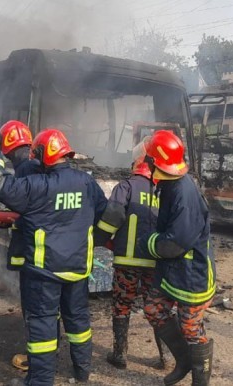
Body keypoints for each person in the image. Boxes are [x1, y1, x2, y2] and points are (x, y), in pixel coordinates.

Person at [0, 128, 107, 385]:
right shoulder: (86, 182)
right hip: (78, 269)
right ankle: (82, 372)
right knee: (78, 321)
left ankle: (40, 381)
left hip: (44, 273)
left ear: (40, 155)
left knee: (43, 325)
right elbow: (103, 212)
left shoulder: (36, 186)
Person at [138, 130, 216, 386]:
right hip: (174, 270)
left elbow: (175, 243)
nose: (145, 163)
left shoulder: (183, 193)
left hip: (192, 273)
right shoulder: (170, 184)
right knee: (153, 308)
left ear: (156, 163)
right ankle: (183, 360)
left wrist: (147, 243)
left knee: (191, 328)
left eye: (148, 159)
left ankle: (200, 380)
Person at [93, 151, 166, 370]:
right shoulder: (162, 191)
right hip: (155, 262)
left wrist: (97, 239)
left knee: (122, 305)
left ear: (135, 166)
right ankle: (167, 357)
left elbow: (111, 218)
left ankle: (120, 355)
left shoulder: (126, 187)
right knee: (157, 307)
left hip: (128, 262)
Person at [0, 120, 42, 372]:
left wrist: (13, 217)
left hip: (33, 251)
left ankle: (37, 359)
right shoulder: (34, 166)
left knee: (34, 307)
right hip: (44, 250)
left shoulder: (25, 170)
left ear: (6, 147)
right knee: (44, 307)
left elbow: (28, 210)